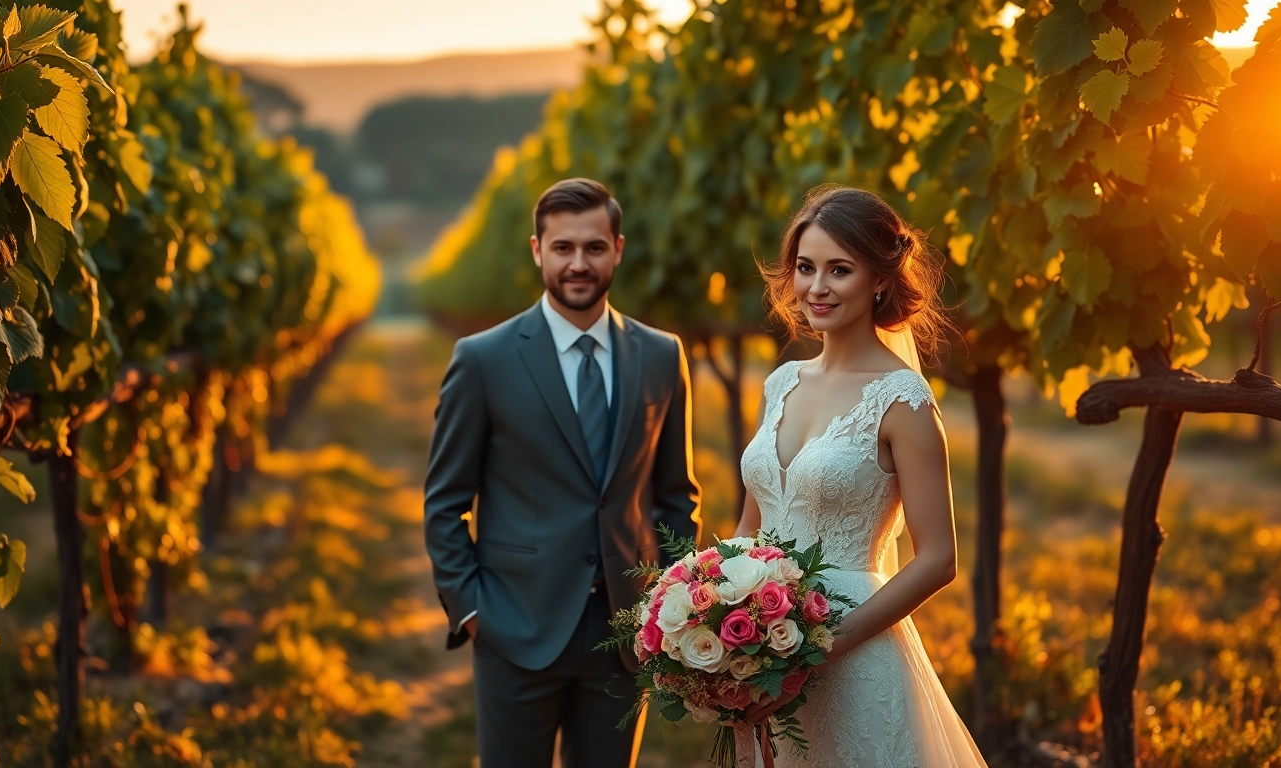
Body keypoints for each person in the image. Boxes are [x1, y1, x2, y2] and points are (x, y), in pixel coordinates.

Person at [423, 178, 702, 768]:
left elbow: (676, 496)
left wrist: (667, 604)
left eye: (594, 247)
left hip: (625, 631)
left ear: (617, 249)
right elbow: (445, 502)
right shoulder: (483, 359)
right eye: (563, 248)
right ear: (537, 251)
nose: (579, 263)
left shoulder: (662, 355)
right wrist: (472, 612)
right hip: (514, 626)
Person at [733, 186, 988, 766]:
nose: (817, 287)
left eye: (839, 270)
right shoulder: (781, 383)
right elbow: (751, 526)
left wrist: (816, 653)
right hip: (762, 650)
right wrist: (718, 614)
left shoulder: (903, 401)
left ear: (878, 280)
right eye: (806, 268)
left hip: (854, 652)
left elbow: (937, 559)